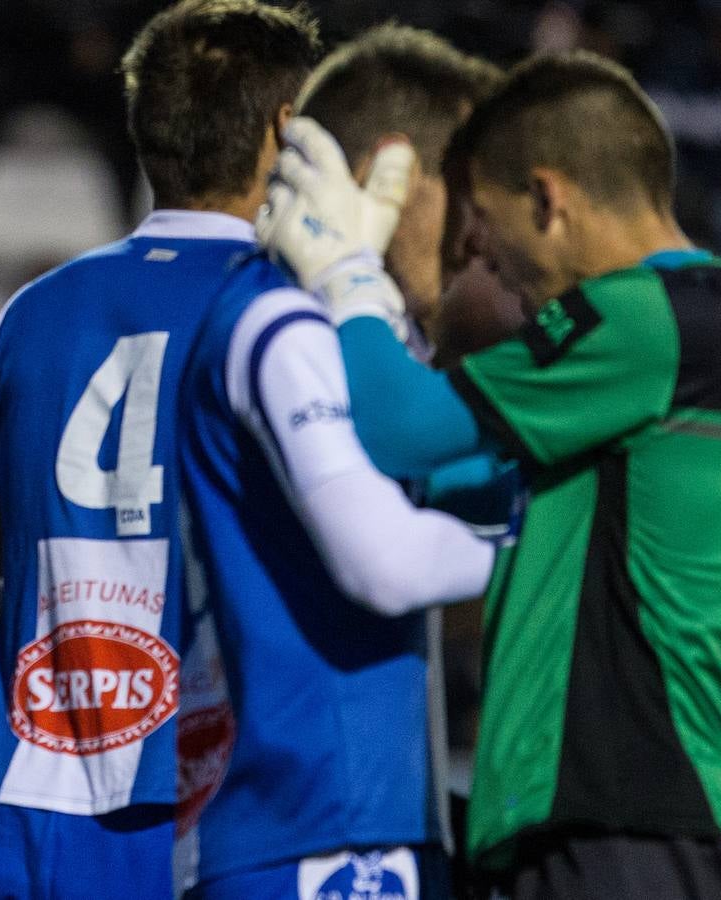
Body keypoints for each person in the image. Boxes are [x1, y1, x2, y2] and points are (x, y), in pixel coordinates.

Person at [265, 50, 721, 899]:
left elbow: (405, 432)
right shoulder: (702, 331)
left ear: (546, 200)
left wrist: (347, 277)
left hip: (627, 823)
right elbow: (490, 486)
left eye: (486, 225)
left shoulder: (637, 320)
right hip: (663, 815)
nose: (482, 260)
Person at [0, 2, 322, 896]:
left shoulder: (33, 312)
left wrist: (55, 704)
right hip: (200, 814)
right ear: (286, 129)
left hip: (15, 809)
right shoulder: (291, 319)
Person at [176, 26, 504, 899]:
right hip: (308, 841)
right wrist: (575, 555)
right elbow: (384, 563)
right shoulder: (281, 326)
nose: (482, 235)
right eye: (469, 190)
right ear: (391, 175)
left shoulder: (373, 344)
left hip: (373, 828)